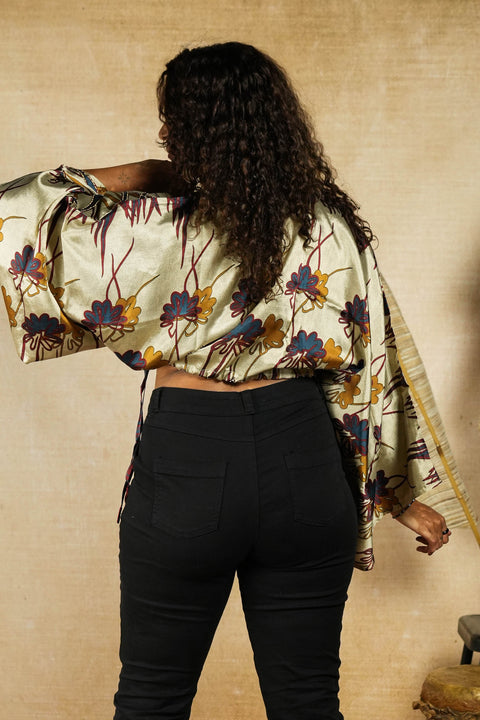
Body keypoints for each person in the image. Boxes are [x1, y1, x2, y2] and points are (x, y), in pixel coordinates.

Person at [0, 42, 450, 720]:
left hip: (190, 461)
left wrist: (147, 173)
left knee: (151, 698)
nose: (163, 132)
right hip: (305, 464)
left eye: (172, 119)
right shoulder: (329, 228)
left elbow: (15, 210)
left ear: (195, 128)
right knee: (308, 702)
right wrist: (394, 492)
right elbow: (366, 366)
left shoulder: (152, 226)